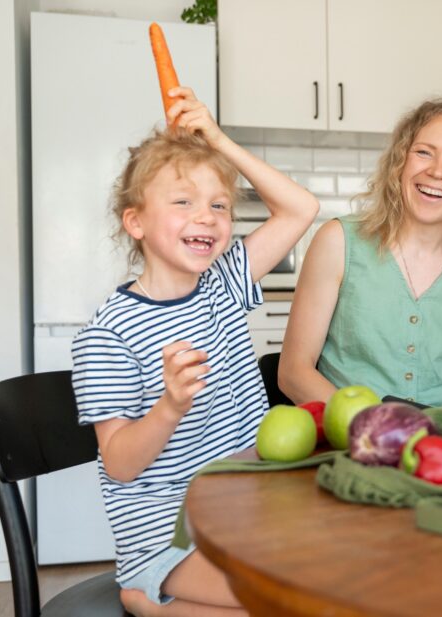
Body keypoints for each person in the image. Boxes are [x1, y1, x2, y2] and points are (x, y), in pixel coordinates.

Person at [71, 86, 319, 616]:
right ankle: (150, 595)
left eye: (218, 205)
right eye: (183, 203)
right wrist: (170, 407)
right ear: (135, 222)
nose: (206, 217)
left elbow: (302, 209)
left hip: (247, 511)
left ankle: (150, 604)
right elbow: (118, 463)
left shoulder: (223, 284)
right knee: (290, 600)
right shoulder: (107, 335)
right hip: (169, 535)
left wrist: (218, 141)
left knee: (330, 581)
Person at [279, 100, 442, 407]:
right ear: (400, 163)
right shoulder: (337, 242)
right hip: (347, 440)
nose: (436, 171)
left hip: (435, 441)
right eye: (423, 152)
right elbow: (292, 373)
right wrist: (371, 425)